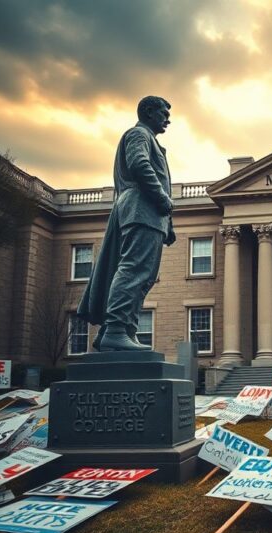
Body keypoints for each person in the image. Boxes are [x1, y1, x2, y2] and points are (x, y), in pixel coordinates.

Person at [77, 96, 176, 351]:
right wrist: (163, 200)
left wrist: (169, 224)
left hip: (149, 214)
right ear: (148, 112)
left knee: (145, 276)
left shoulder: (150, 140)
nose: (168, 119)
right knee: (135, 270)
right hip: (142, 209)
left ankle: (118, 332)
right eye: (164, 113)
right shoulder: (138, 135)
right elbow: (139, 165)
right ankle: (117, 329)